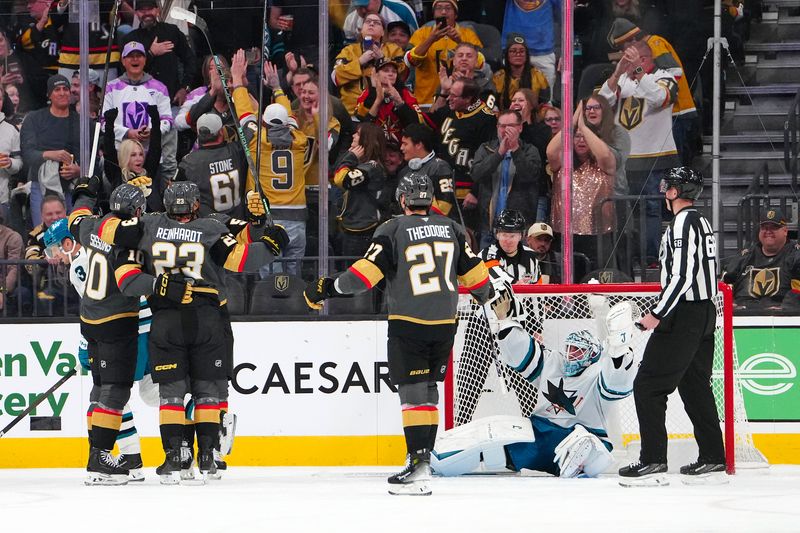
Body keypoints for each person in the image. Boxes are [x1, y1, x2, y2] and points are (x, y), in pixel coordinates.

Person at [303, 173, 492, 495]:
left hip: (409, 322)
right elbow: (480, 284)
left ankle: (418, 465)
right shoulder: (453, 229)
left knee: (414, 395)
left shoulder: (392, 229)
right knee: (428, 392)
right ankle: (423, 463)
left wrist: (326, 288)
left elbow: (362, 278)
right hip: (446, 324)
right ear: (430, 199)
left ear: (403, 200)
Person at [95, 180, 288, 484]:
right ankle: (209, 457)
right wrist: (271, 240)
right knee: (207, 391)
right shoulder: (211, 227)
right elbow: (240, 258)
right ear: (196, 204)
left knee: (171, 393)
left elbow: (109, 234)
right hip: (207, 317)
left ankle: (174, 458)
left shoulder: (150, 224)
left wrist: (119, 207)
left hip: (166, 317)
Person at [432, 283, 637, 478]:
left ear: (591, 355)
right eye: (569, 348)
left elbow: (616, 382)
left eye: (577, 350)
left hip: (581, 434)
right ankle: (438, 458)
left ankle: (576, 465)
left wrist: (618, 350)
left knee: (587, 445)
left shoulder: (598, 372)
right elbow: (522, 353)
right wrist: (504, 321)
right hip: (540, 432)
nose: (570, 354)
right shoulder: (553, 362)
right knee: (492, 439)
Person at [619, 167, 725, 487]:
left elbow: (682, 275)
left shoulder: (682, 223)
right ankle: (712, 456)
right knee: (695, 387)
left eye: (669, 187)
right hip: (704, 312)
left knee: (648, 386)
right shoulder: (701, 221)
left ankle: (653, 459)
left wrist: (658, 313)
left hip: (683, 314)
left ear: (676, 192)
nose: (664, 192)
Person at [598, 40, 678, 267]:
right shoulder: (622, 81)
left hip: (655, 157)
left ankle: (651, 258)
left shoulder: (664, 77)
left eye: (631, 59)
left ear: (644, 60)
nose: (627, 64)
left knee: (651, 209)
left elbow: (660, 98)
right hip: (623, 160)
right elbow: (602, 101)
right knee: (622, 212)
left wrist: (639, 72)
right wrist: (617, 71)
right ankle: (625, 259)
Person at [230, 52, 310, 277]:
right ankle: (295, 308)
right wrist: (276, 87)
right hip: (297, 218)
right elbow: (289, 114)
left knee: (268, 275)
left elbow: (244, 110)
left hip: (267, 217)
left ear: (262, 121)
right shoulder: (299, 138)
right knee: (293, 274)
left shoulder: (256, 139)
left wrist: (237, 81)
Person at [547, 101, 617, 270]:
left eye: (585, 137)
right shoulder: (562, 164)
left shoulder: (604, 165)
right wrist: (572, 122)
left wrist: (584, 127)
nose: (581, 140)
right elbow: (550, 151)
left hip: (600, 236)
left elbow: (604, 154)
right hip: (565, 234)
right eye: (576, 136)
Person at [427, 77, 497, 232]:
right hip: (445, 185)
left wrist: (475, 192)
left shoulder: (486, 119)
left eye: (453, 95)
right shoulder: (451, 110)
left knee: (466, 236)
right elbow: (425, 122)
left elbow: (489, 160)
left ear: (468, 99)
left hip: (467, 192)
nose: (449, 98)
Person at [103, 41, 175, 184]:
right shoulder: (111, 88)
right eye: (130, 56)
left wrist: (152, 131)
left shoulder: (159, 87)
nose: (135, 59)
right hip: (119, 157)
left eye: (139, 56)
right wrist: (127, 132)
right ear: (123, 61)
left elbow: (168, 120)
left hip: (150, 157)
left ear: (145, 60)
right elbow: (104, 123)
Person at [471, 109, 541, 248]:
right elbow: (476, 174)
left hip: (518, 229)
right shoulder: (486, 149)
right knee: (487, 268)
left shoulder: (530, 150)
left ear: (520, 127)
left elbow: (530, 176)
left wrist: (515, 149)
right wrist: (499, 153)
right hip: (489, 227)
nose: (506, 130)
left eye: (511, 126)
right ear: (497, 127)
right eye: (502, 126)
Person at [20, 74, 81, 225]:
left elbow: (94, 157)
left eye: (65, 89)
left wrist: (79, 169)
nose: (62, 93)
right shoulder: (34, 119)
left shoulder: (82, 122)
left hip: (72, 186)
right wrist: (52, 155)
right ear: (49, 95)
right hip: (40, 186)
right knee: (43, 235)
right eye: (57, 89)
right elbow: (27, 154)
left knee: (71, 234)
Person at [404, 0, 483, 107]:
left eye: (448, 8)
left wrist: (459, 41)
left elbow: (481, 63)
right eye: (439, 8)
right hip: (426, 101)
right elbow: (410, 61)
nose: (444, 12)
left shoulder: (468, 34)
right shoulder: (421, 33)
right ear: (434, 13)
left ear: (456, 14)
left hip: (460, 101)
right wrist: (431, 39)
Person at [722, 207, 800, 314]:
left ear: (785, 231)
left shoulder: (796, 256)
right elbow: (726, 284)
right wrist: (729, 302)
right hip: (742, 317)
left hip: (781, 320)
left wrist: (787, 308)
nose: (768, 231)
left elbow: (797, 292)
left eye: (774, 227)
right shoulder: (745, 256)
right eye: (764, 227)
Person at [123, 0, 197, 106]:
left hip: (171, 101)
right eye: (142, 10)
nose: (146, 13)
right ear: (136, 13)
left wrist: (185, 88)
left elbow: (190, 60)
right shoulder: (130, 39)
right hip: (141, 104)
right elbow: (128, 71)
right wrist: (151, 53)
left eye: (150, 9)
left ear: (157, 11)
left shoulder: (172, 31)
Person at [331, 122, 388, 257]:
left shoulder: (371, 167)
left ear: (365, 140)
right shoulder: (361, 164)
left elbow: (341, 179)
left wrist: (350, 157)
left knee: (356, 275)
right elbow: (337, 171)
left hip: (363, 231)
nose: (353, 136)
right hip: (352, 228)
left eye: (357, 134)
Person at [175, 113, 247, 219]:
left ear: (199, 134)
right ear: (221, 132)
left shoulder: (188, 163)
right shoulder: (237, 151)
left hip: (208, 228)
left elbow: (172, 193)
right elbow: (251, 132)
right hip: (238, 224)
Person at [334, 13, 407, 115]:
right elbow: (335, 77)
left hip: (386, 111)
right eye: (368, 21)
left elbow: (403, 75)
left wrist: (383, 60)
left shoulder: (393, 50)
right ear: (361, 30)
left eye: (377, 23)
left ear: (383, 32)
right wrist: (359, 62)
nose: (371, 24)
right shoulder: (349, 51)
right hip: (352, 112)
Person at [102, 104, 162, 211]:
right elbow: (109, 152)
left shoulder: (148, 172)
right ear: (125, 157)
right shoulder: (117, 176)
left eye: (141, 154)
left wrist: (155, 120)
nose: (139, 159)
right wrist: (109, 124)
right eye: (133, 155)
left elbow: (155, 149)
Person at [355, 58, 429, 143]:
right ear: (376, 74)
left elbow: (417, 123)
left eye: (394, 71)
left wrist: (400, 102)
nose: (391, 74)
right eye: (386, 70)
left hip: (401, 147)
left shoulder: (405, 94)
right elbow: (361, 120)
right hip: (374, 145)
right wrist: (374, 93)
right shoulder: (366, 93)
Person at [398, 123, 454, 217]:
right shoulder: (404, 172)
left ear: (419, 145)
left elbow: (444, 206)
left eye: (405, 144)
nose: (401, 148)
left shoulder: (440, 167)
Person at [479, 209, 541, 284]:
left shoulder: (531, 257)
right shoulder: (486, 254)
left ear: (521, 236)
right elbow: (494, 272)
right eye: (504, 235)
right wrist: (515, 283)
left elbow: (538, 289)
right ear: (497, 235)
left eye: (512, 236)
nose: (508, 241)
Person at [493, 33, 550, 111]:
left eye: (522, 51)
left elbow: (544, 102)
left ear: (527, 55)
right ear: (507, 55)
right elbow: (494, 104)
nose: (518, 54)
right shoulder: (498, 77)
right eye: (513, 51)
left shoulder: (538, 76)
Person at [343, 0, 419, 43]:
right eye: (358, 7)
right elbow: (349, 46)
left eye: (365, 6)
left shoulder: (402, 10)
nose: (363, 10)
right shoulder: (350, 18)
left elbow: (416, 41)